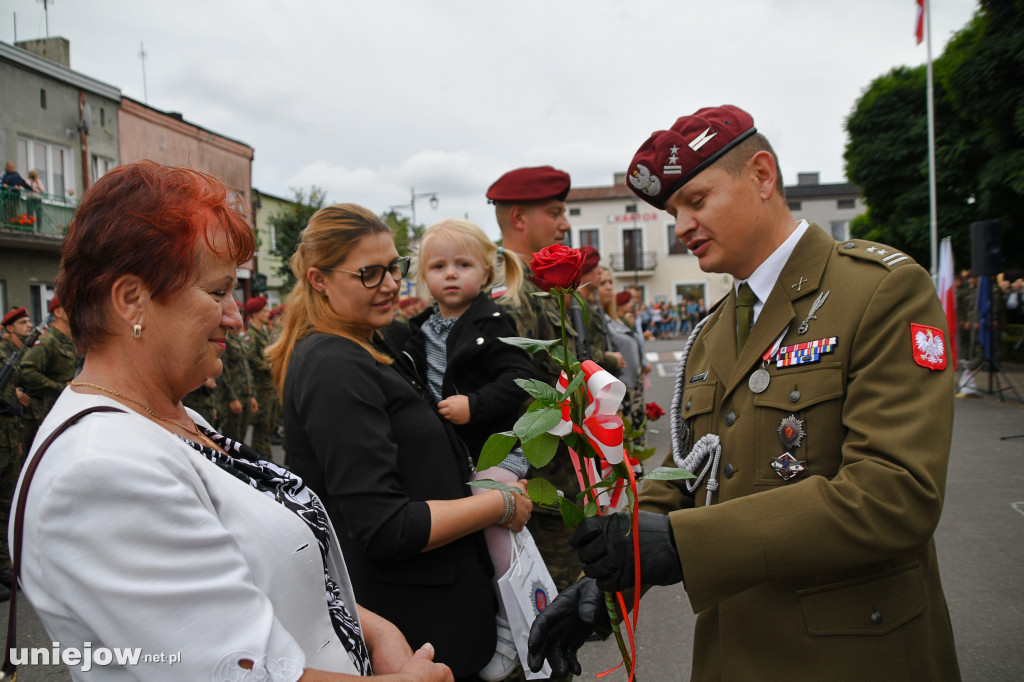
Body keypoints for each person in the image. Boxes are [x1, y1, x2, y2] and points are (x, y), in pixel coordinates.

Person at [528, 105, 960, 681]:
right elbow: (689, 472)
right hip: (734, 653)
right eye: (674, 210)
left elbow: (896, 493)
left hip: (853, 653)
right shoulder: (713, 330)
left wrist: (682, 546)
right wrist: (609, 583)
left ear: (761, 176)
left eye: (697, 201)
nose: (680, 225)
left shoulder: (879, 291)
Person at [12, 161, 452, 680]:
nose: (235, 315)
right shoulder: (99, 472)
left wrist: (379, 633)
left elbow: (275, 584)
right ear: (132, 299)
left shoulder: (165, 414)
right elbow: (236, 672)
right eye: (218, 292)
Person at [268, 203, 532, 681]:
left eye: (395, 267)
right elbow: (385, 527)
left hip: (431, 612)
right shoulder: (335, 366)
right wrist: (499, 504)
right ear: (319, 278)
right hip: (415, 626)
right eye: (370, 273)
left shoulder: (367, 340)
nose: (391, 283)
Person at [404, 218, 536, 681]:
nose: (451, 274)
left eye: (463, 264)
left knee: (495, 516)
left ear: (485, 272)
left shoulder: (494, 322)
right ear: (424, 277)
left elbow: (521, 381)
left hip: (493, 447)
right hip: (451, 452)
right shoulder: (416, 329)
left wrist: (474, 404)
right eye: (438, 266)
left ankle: (511, 619)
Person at [0, 307, 34, 602]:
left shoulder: (21, 353)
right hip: (4, 435)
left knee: (7, 502)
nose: (28, 325)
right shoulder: (3, 354)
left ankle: (5, 566)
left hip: (11, 435)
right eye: (22, 322)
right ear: (8, 328)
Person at [19, 296, 76, 453]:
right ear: (58, 312)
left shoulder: (69, 341)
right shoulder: (48, 342)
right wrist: (59, 387)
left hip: (62, 409)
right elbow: (26, 372)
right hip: (46, 414)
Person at [577, 246, 624, 375]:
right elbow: (579, 346)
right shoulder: (577, 306)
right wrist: (610, 359)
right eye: (595, 266)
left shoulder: (586, 305)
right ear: (583, 270)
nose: (600, 271)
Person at [243, 295, 277, 458]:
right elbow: (251, 359)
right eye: (264, 310)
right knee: (261, 431)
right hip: (259, 389)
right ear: (255, 313)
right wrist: (268, 367)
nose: (268, 313)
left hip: (268, 387)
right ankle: (262, 462)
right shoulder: (252, 335)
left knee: (267, 428)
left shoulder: (263, 333)